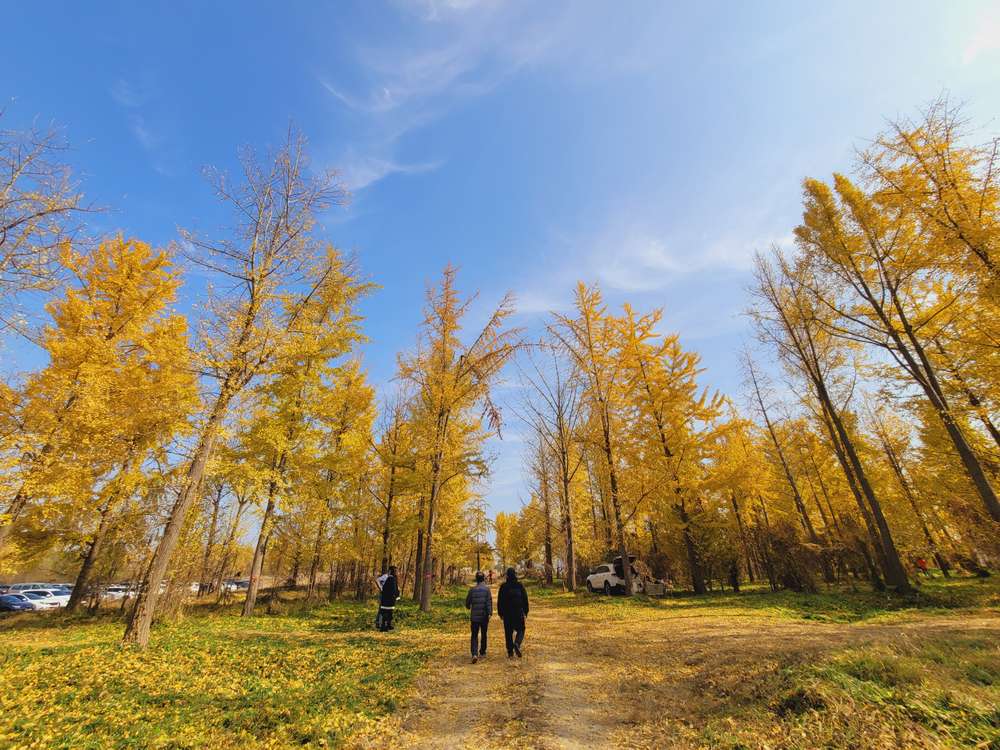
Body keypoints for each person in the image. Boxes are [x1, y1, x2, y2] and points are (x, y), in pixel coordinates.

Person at [497, 567, 529, 658]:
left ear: (507, 575)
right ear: (515, 574)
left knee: (508, 632)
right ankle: (517, 643)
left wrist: (501, 613)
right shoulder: (519, 585)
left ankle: (510, 652)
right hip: (518, 611)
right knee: (521, 629)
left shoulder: (503, 586)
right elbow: (525, 599)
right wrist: (526, 611)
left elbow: (500, 601)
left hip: (507, 613)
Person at [465, 571, 492, 663]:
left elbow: (467, 603)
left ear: (476, 579)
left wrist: (469, 606)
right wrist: (490, 613)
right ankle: (483, 651)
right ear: (483, 579)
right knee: (484, 634)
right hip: (484, 617)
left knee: (474, 635)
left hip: (474, 617)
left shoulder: (472, 590)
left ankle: (474, 654)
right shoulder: (487, 590)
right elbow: (489, 602)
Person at [377, 566, 400, 631]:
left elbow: (396, 588)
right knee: (385, 613)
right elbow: (387, 589)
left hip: (390, 599)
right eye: (395, 571)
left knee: (389, 613)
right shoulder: (389, 578)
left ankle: (388, 625)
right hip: (387, 599)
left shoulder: (393, 578)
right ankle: (383, 626)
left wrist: (397, 596)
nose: (396, 572)